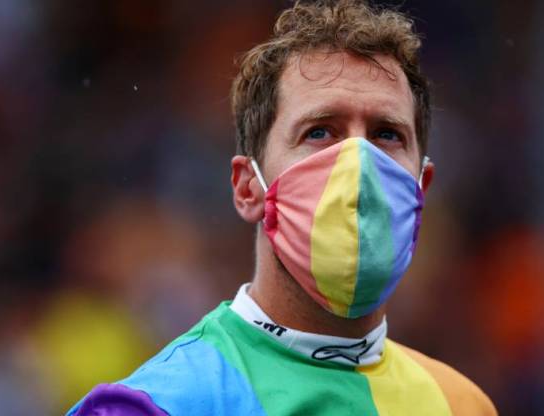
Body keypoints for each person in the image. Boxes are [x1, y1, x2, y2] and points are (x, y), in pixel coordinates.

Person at [67, 1, 496, 414]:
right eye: (320, 132)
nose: (358, 163)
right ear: (249, 187)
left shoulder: (461, 405)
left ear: (421, 187)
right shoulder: (156, 406)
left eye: (386, 134)